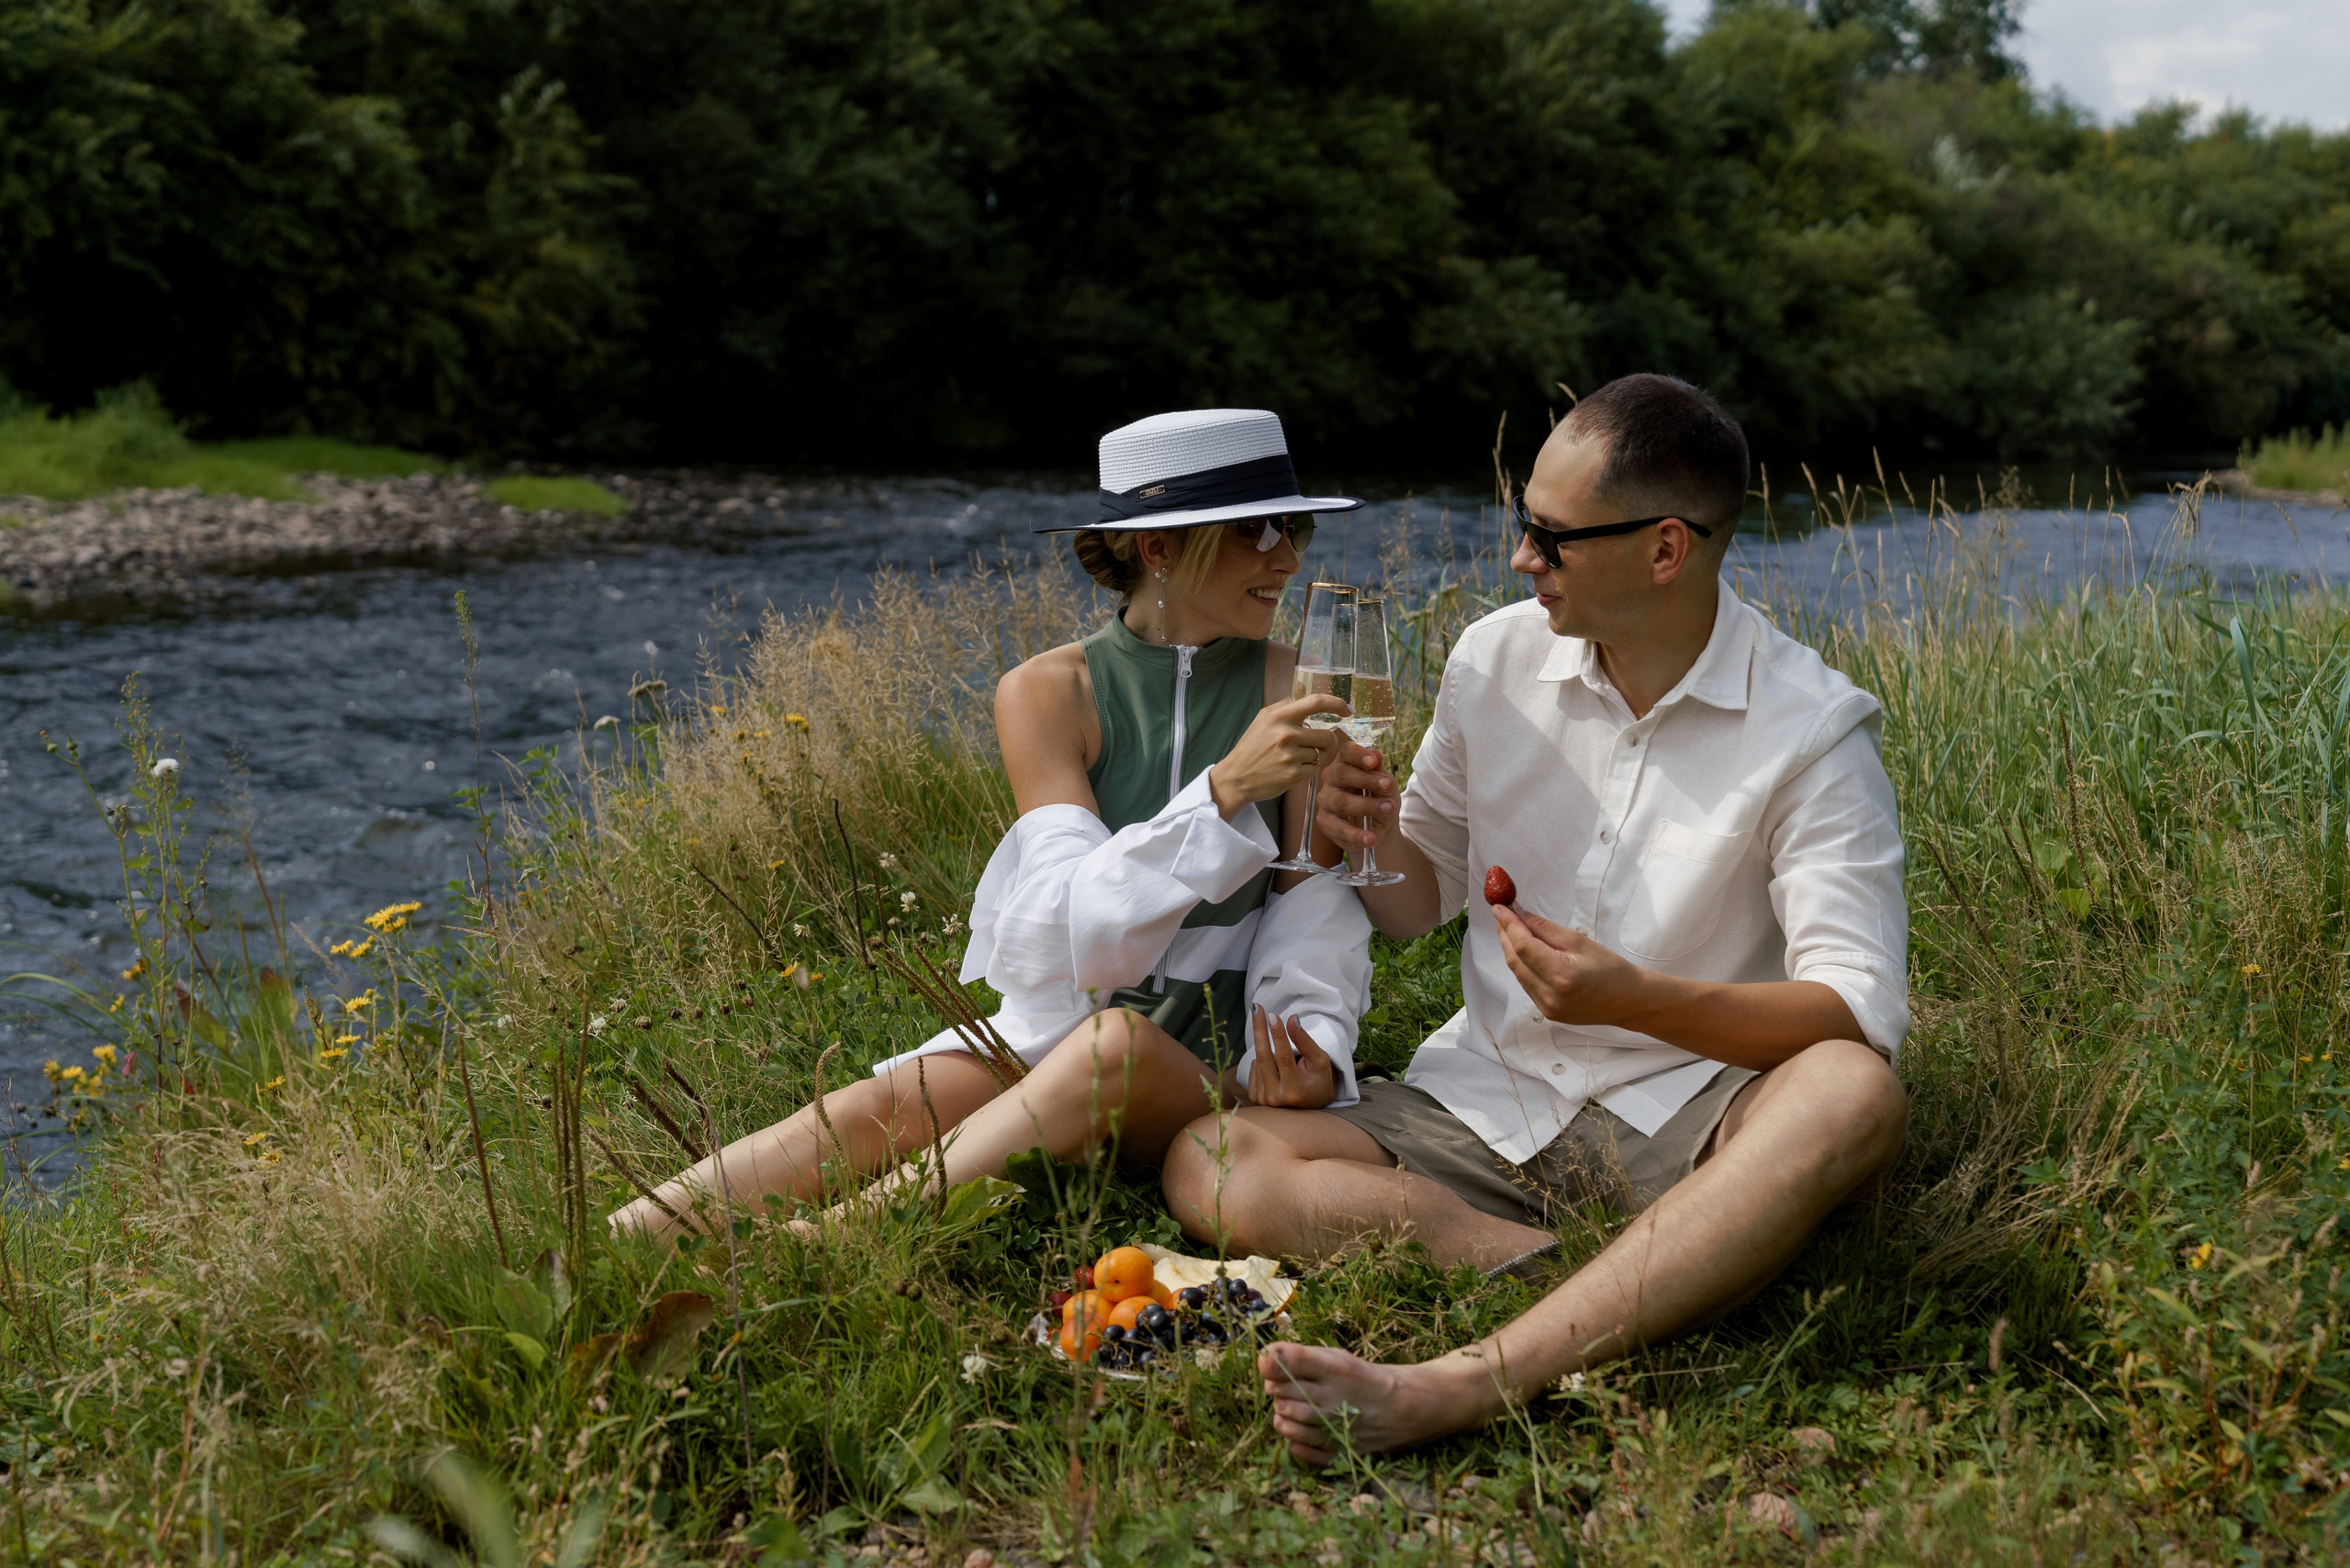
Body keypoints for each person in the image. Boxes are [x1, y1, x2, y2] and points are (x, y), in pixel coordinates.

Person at [1157, 375, 1911, 1461]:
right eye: (1522, 525)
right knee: (1208, 1158)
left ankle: (1469, 1380)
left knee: (1852, 1093)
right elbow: (1418, 903)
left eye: (1551, 540)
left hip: (1682, 1119)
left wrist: (1638, 1002)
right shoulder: (1492, 657)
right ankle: (1591, 1271)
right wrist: (1358, 828)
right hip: (1486, 1103)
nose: (1520, 560)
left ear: (1665, 549)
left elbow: (1852, 1015)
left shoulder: (1813, 732)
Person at [611, 409, 1376, 1240]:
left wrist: (1316, 1044)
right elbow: (1059, 931)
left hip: (1210, 1082)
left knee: (1112, 1048)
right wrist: (1223, 791)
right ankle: (618, 1244)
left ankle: (827, 1250)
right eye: (1258, 529)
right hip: (1055, 1044)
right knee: (890, 1102)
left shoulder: (1301, 687)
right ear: (1157, 549)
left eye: (1294, 526)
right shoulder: (1048, 693)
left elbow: (1314, 900)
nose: (1290, 558)